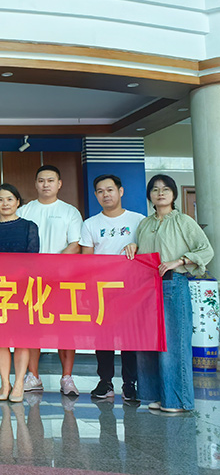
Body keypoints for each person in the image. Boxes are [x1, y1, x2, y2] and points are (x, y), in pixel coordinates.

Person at [126, 174, 213, 413]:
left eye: (165, 189)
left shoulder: (184, 221)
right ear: (149, 196)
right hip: (146, 288)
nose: (160, 193)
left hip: (173, 284)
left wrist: (181, 260)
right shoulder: (145, 224)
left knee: (173, 343)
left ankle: (177, 400)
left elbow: (206, 250)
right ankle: (156, 395)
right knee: (148, 343)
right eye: (155, 189)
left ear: (173, 194)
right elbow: (140, 254)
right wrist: (133, 246)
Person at [17, 165, 83, 395]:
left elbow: (75, 244)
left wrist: (52, 265)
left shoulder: (69, 211)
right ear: (35, 184)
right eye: (41, 180)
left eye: (50, 180)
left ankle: (67, 378)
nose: (46, 184)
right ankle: (33, 376)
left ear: (59, 184)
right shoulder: (24, 210)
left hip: (61, 280)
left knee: (65, 329)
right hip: (30, 280)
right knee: (32, 328)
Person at [80, 174, 145, 402]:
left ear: (120, 191)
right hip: (102, 290)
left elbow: (147, 250)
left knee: (129, 338)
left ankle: (130, 383)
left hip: (132, 289)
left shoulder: (138, 221)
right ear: (95, 195)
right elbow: (86, 261)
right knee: (103, 338)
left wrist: (136, 245)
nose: (105, 195)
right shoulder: (90, 224)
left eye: (110, 189)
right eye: (100, 191)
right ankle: (105, 382)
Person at [0, 184, 40, 402]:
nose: (5, 203)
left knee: (22, 339)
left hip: (22, 289)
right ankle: (5, 383)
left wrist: (15, 278)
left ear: (18, 202)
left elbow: (32, 257)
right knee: (0, 339)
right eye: (0, 199)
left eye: (10, 199)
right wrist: (0, 280)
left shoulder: (29, 227)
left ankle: (19, 383)